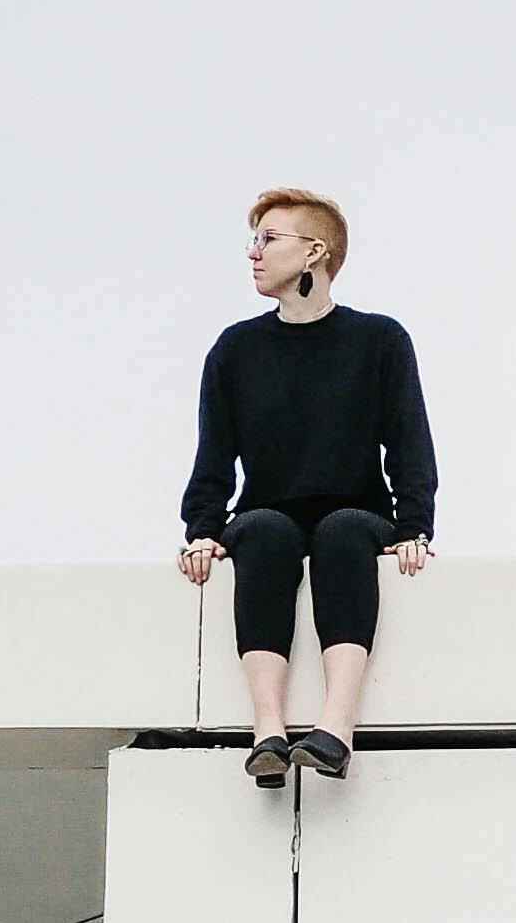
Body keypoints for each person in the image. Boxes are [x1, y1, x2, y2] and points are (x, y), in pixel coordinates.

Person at [177, 188, 436, 788]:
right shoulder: (236, 349)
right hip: (268, 512)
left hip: (357, 512)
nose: (254, 253)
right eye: (254, 240)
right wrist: (203, 531)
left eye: (269, 239)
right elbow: (213, 456)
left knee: (343, 531)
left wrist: (414, 527)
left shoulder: (379, 341)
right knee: (263, 532)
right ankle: (266, 729)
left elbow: (409, 443)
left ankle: (335, 729)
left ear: (314, 251)